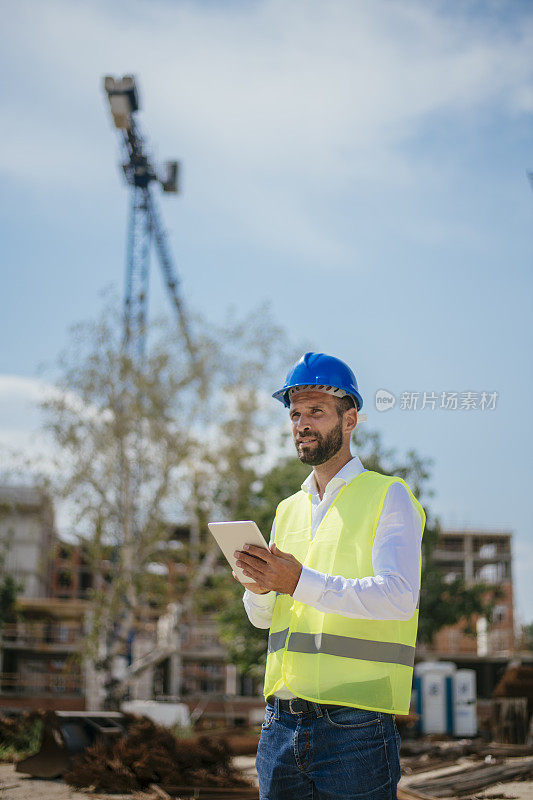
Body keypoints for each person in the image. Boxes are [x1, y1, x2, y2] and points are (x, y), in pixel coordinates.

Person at [233, 352, 425, 800]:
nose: (302, 423)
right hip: (280, 724)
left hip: (355, 725)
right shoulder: (287, 510)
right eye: (296, 413)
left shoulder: (389, 496)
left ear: (350, 419)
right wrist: (260, 589)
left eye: (316, 411)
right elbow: (263, 619)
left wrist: (298, 581)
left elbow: (399, 597)